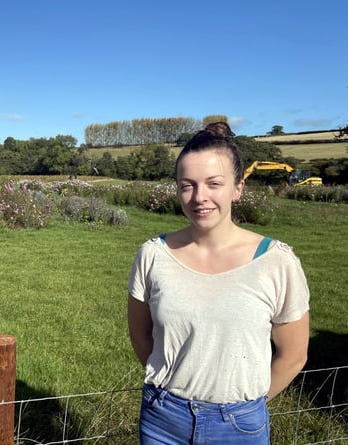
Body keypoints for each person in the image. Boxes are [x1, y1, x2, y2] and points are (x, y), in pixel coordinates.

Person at [127, 122, 310, 444]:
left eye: (214, 184)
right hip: (162, 421)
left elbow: (293, 355)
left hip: (239, 426)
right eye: (188, 185)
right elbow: (141, 337)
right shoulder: (153, 254)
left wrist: (244, 407)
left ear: (237, 188)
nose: (200, 197)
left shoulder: (277, 262)